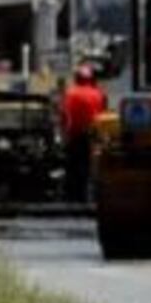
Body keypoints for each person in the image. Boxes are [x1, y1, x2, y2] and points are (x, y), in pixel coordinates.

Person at [60, 66, 107, 203]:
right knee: (89, 167)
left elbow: (64, 115)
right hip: (93, 135)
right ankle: (89, 197)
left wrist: (64, 134)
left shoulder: (70, 93)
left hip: (75, 135)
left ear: (77, 78)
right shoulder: (98, 94)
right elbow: (102, 114)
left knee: (73, 167)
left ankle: (73, 197)